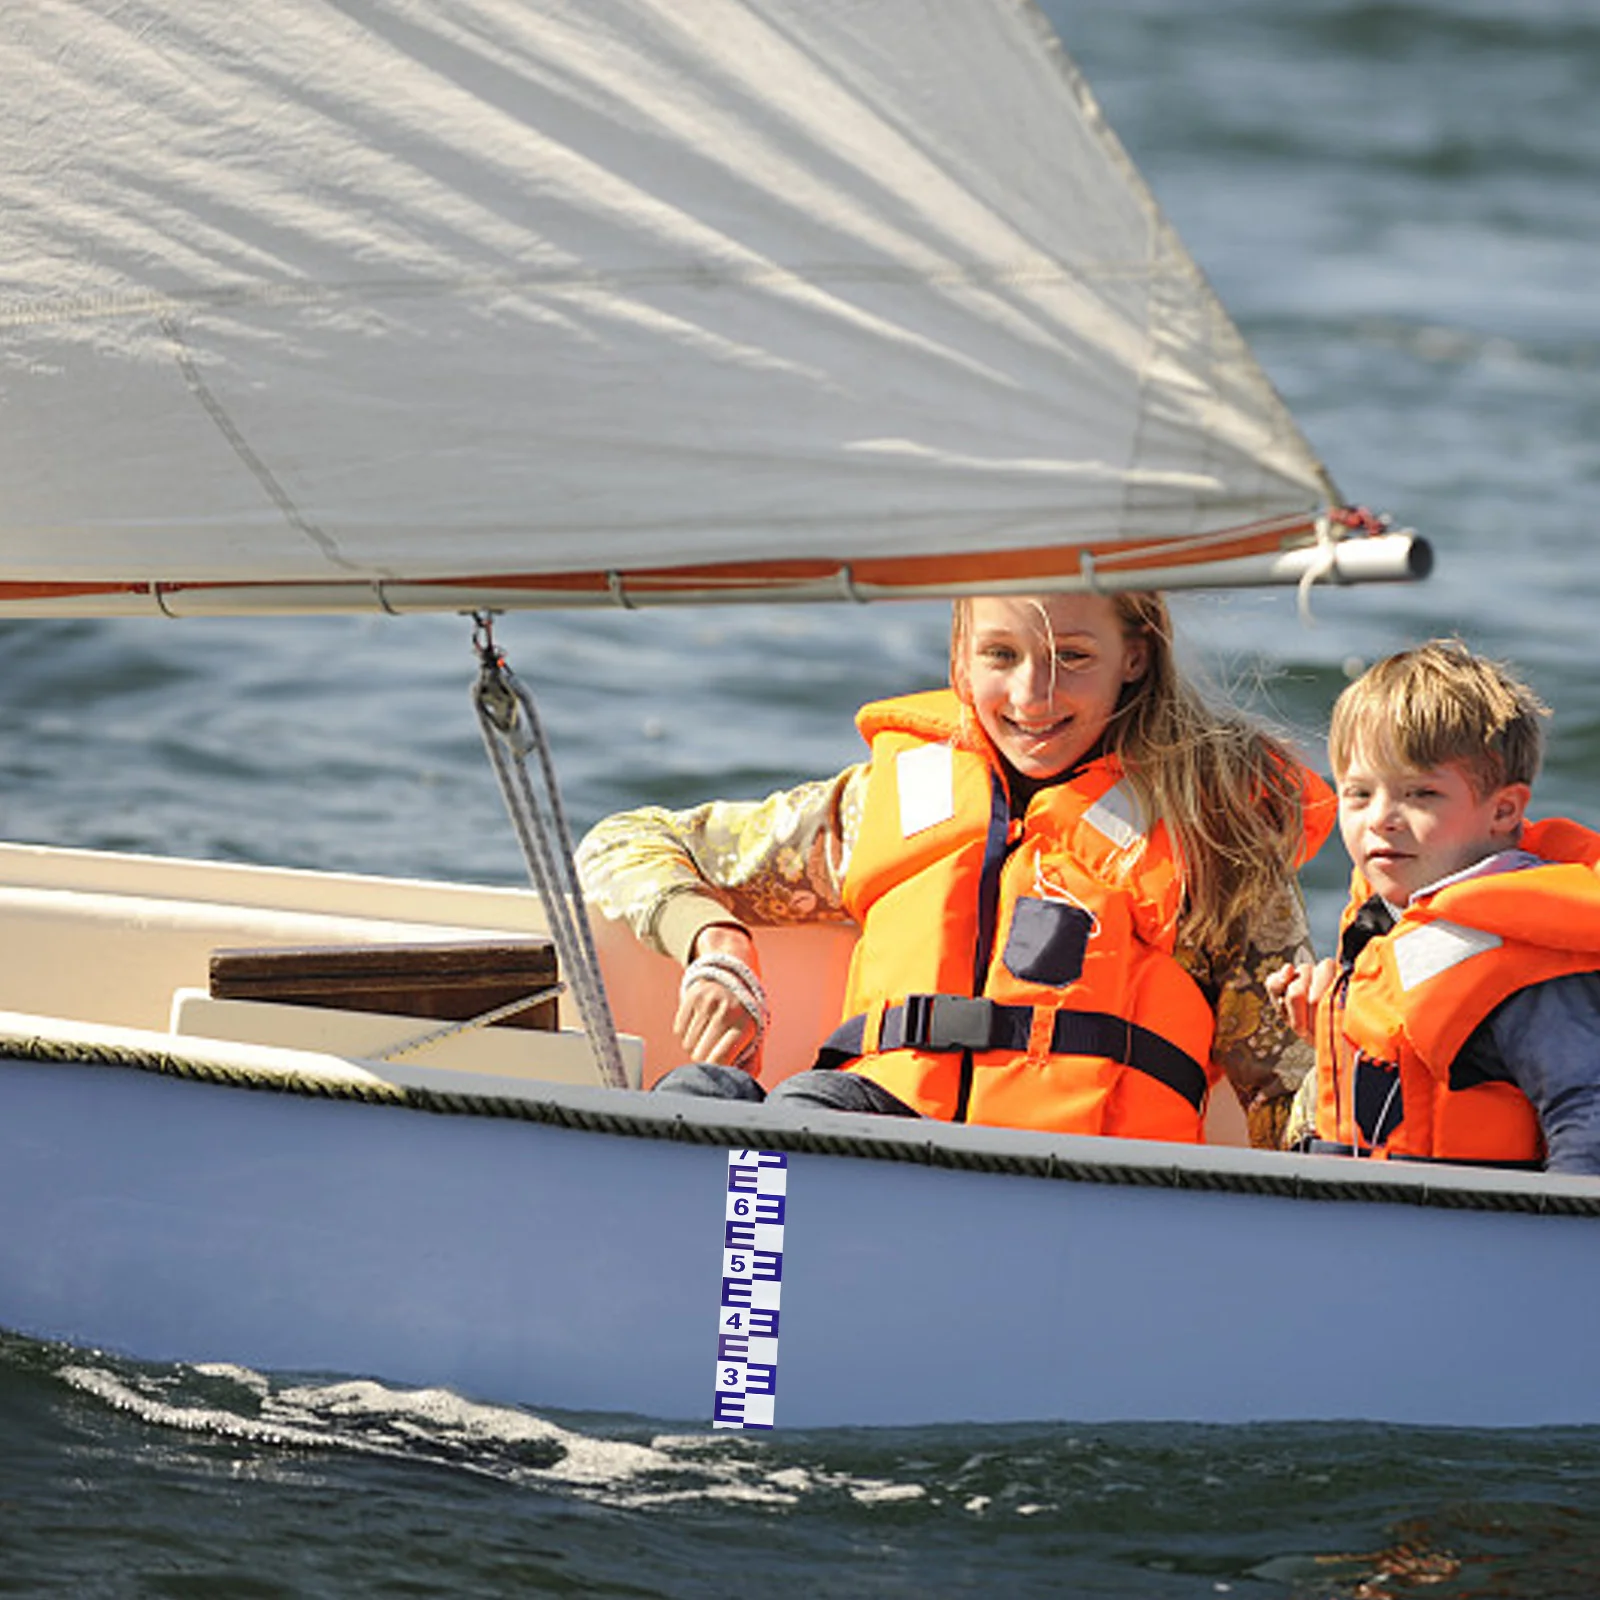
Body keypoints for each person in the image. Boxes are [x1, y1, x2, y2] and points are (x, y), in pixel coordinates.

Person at [577, 590, 1334, 1149]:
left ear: (1135, 656)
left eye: (1073, 657)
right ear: (960, 658)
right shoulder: (878, 804)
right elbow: (626, 842)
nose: (1034, 696)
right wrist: (715, 942)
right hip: (878, 1133)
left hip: (1092, 1182)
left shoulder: (1214, 837)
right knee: (694, 1102)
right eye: (1001, 656)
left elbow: (1288, 1078)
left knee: (802, 1117)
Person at [1269, 639, 1600, 1174]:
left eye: (1419, 794)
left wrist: (1556, 1251)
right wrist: (1327, 1021)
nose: (1381, 818)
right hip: (1368, 1226)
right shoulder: (1389, 922)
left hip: (1471, 1243)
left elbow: (1588, 1112)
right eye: (1358, 794)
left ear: (1504, 810)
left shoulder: (1525, 960)